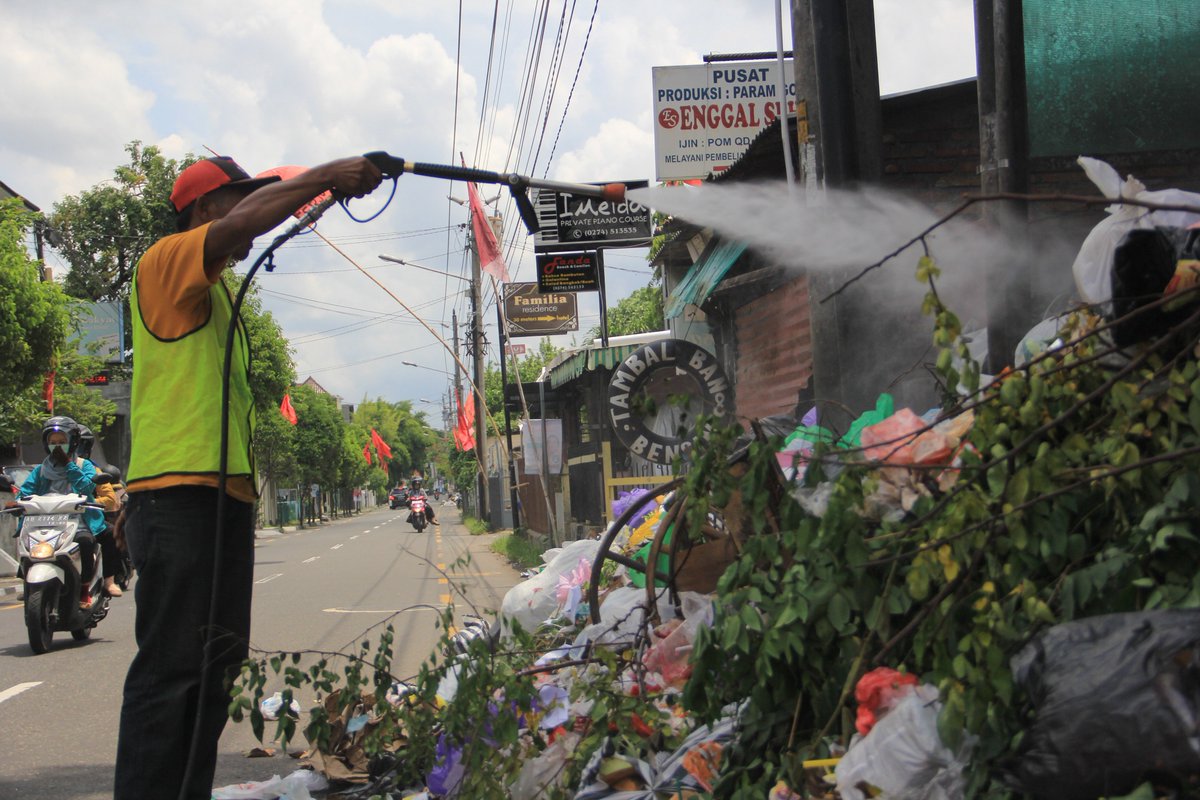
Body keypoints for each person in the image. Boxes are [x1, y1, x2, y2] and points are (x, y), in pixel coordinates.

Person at [114, 153, 382, 800]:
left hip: (217, 501)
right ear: (206, 211)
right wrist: (323, 177)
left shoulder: (212, 292)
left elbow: (168, 398)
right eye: (241, 202)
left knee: (213, 668)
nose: (250, 223)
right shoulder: (166, 261)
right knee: (172, 669)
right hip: (179, 498)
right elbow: (240, 230)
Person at [19, 417, 107, 608]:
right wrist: (18, 504)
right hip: (44, 521)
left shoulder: (84, 465)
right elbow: (26, 491)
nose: (57, 446)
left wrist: (68, 464)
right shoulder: (41, 470)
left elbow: (87, 485)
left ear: (73, 442)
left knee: (85, 542)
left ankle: (84, 588)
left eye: (62, 442)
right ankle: (27, 583)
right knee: (26, 545)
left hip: (77, 520)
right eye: (53, 443)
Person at [76, 424, 124, 598]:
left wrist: (85, 502)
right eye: (55, 442)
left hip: (85, 520)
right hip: (56, 519)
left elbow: (111, 499)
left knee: (111, 535)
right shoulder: (46, 468)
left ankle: (109, 581)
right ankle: (27, 578)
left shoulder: (89, 467)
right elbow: (28, 490)